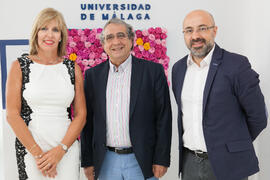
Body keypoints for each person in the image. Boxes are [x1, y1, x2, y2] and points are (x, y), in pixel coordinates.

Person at [172, 9, 268, 180]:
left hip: (228, 163)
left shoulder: (236, 65)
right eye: (189, 30)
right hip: (189, 163)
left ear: (214, 31)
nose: (195, 36)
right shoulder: (178, 69)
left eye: (202, 28)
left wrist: (234, 144)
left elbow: (259, 116)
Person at [81, 18, 172, 180]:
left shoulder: (153, 72)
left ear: (131, 40)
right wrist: (87, 161)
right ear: (103, 45)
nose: (116, 41)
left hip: (142, 161)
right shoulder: (92, 76)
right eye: (109, 37)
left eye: (121, 35)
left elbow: (164, 118)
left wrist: (161, 159)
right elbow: (87, 123)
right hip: (106, 161)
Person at [6, 8, 86, 180]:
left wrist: (60, 151)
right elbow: (12, 115)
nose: (49, 35)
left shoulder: (73, 69)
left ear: (61, 36)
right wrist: (39, 155)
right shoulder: (19, 66)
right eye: (44, 28)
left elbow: (81, 115)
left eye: (55, 30)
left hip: (66, 150)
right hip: (32, 150)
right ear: (36, 32)